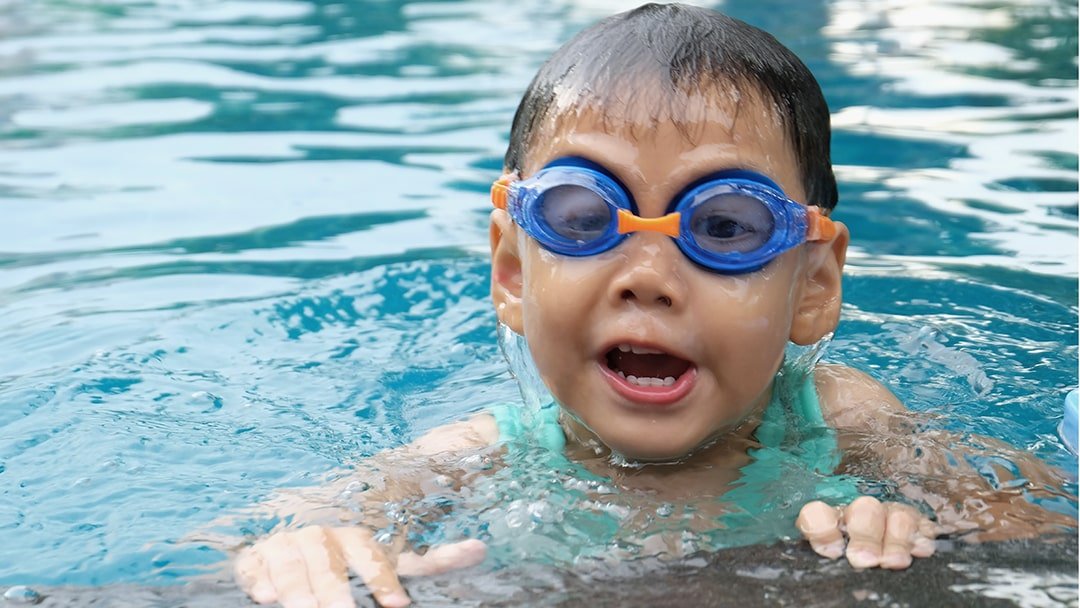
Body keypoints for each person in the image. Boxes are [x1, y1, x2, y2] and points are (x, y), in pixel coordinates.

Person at [231, 5, 1074, 607]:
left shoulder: (843, 421)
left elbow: (1032, 530)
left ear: (812, 288)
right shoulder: (478, 453)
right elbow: (291, 523)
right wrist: (302, 547)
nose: (647, 276)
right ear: (513, 271)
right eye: (582, 218)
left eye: (724, 225)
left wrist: (912, 532)